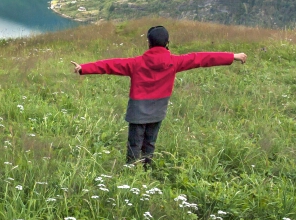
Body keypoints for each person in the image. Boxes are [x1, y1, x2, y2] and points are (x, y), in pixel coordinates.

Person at [72, 25, 246, 166]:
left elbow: (110, 65)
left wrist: (84, 68)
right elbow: (203, 58)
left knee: (134, 144)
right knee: (150, 143)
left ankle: (131, 173)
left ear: (148, 43)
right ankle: (147, 169)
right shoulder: (174, 62)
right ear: (167, 42)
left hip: (137, 112)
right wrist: (234, 56)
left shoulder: (135, 63)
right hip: (158, 110)